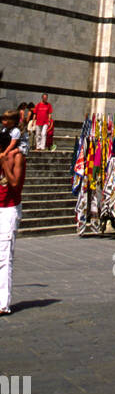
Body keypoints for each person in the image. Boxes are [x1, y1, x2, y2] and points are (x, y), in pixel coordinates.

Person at [0, 114, 26, 314]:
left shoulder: (17, 157)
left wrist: (3, 165)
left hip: (9, 210)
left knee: (4, 258)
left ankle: (3, 304)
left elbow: (15, 184)